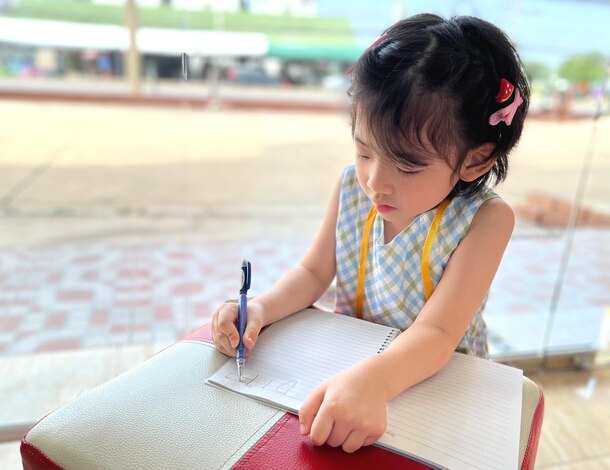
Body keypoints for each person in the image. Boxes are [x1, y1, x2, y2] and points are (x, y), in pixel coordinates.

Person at [211, 13, 529, 454]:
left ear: (475, 161)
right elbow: (311, 272)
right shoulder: (351, 189)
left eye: (406, 165)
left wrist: (373, 382)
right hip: (353, 370)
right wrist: (259, 309)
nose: (376, 181)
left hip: (436, 387)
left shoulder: (485, 221)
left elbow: (437, 335)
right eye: (363, 151)